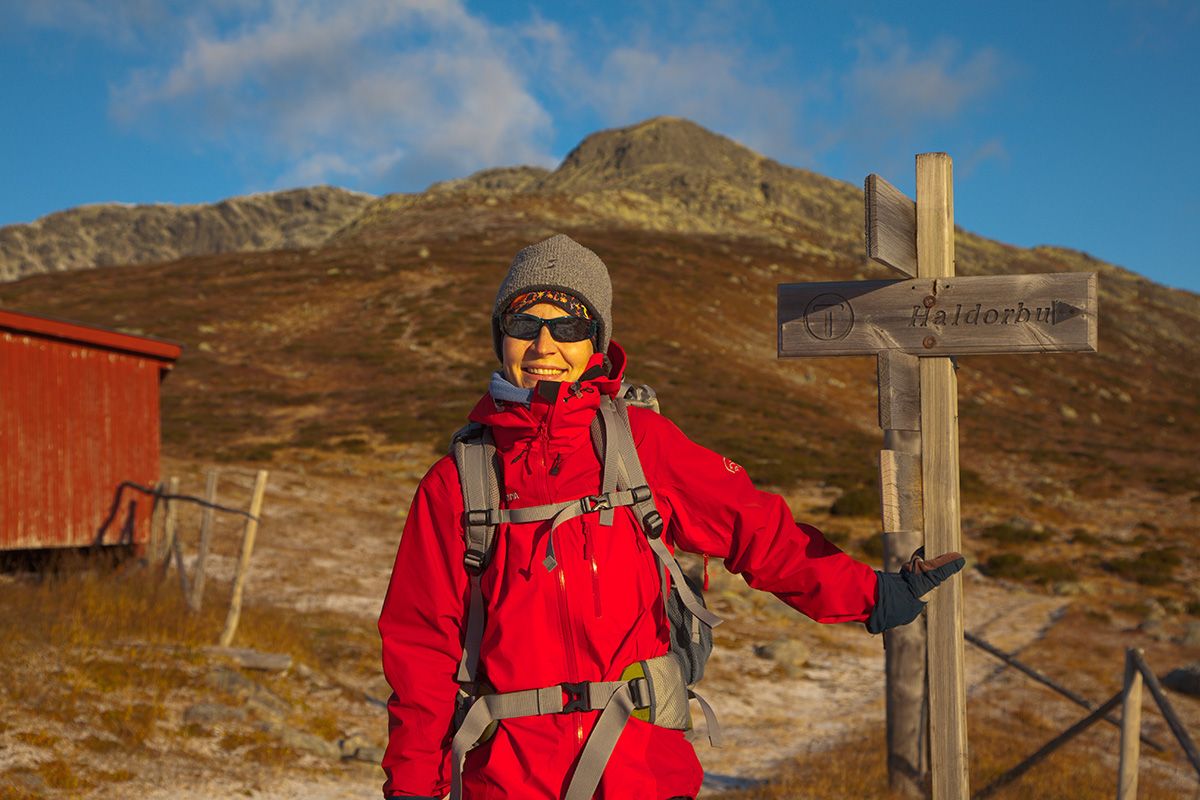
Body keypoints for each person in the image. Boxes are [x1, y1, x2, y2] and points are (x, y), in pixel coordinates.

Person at [378, 234, 964, 800]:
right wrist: (411, 784)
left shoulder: (642, 444)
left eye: (570, 327)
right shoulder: (456, 482)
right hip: (505, 781)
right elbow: (421, 645)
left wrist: (869, 593)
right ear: (501, 337)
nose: (545, 346)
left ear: (597, 343)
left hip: (640, 771)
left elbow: (755, 529)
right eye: (524, 324)